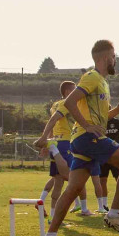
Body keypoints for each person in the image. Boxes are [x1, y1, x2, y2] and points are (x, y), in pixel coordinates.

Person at [43, 40, 119, 236]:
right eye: (114, 56)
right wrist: (87, 126)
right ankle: (113, 213)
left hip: (82, 140)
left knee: (73, 188)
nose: (115, 60)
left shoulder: (103, 82)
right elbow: (70, 102)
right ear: (105, 58)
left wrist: (117, 111)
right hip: (88, 138)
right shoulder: (92, 76)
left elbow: (100, 117)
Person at [35, 82, 80, 217]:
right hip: (64, 142)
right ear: (67, 92)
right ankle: (79, 206)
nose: (77, 91)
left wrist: (48, 142)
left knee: (57, 179)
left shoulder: (55, 105)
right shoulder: (67, 103)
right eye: (74, 89)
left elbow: (52, 123)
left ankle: (43, 204)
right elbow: (54, 121)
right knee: (69, 176)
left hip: (56, 141)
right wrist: (46, 141)